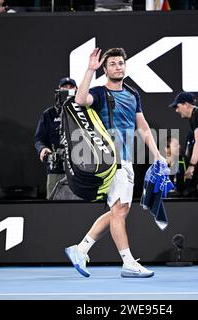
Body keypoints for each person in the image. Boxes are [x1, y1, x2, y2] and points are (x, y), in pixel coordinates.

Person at [65, 47, 164, 278]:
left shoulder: (133, 95)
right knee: (119, 212)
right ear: (105, 69)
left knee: (118, 211)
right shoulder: (98, 93)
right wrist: (90, 70)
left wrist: (156, 154)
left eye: (121, 63)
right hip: (110, 160)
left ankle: (80, 249)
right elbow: (80, 99)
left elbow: (143, 126)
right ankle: (128, 262)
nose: (118, 67)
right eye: (112, 64)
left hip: (127, 159)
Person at [34, 77, 77, 200]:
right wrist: (42, 149)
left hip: (79, 168)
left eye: (71, 88)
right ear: (58, 91)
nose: (68, 90)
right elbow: (39, 139)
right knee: (54, 204)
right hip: (56, 167)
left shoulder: (85, 113)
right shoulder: (49, 114)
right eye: (64, 87)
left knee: (79, 204)